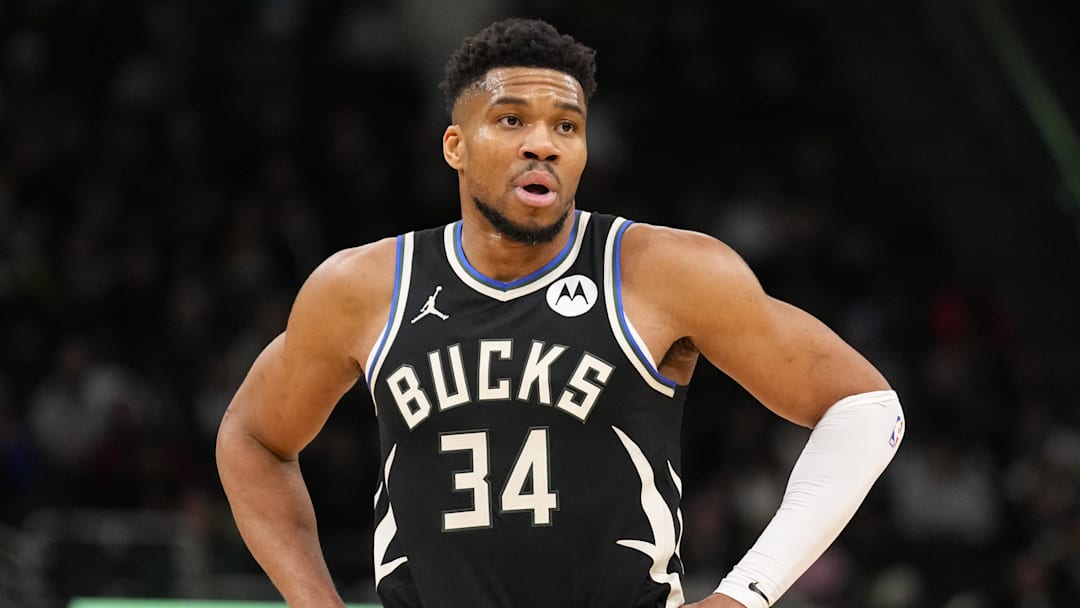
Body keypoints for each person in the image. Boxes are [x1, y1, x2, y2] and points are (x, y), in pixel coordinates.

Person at [216, 17, 905, 608]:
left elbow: (868, 407)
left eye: (566, 126)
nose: (542, 142)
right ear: (456, 146)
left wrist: (745, 592)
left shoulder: (664, 271)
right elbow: (252, 439)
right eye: (511, 119)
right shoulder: (362, 287)